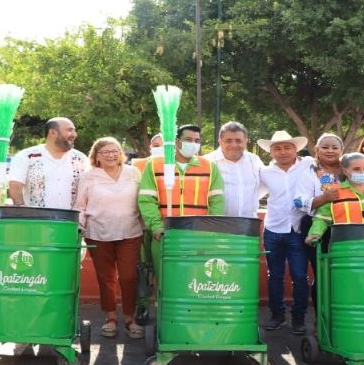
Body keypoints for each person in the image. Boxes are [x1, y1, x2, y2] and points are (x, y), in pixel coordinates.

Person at [75, 137, 144, 339]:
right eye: (104, 152)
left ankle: (130, 319)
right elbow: (80, 205)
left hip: (130, 232)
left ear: (121, 153)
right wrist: (79, 226)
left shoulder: (133, 173)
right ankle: (111, 318)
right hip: (98, 233)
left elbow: (144, 200)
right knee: (106, 278)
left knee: (129, 276)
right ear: (96, 156)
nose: (110, 155)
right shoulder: (88, 176)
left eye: (114, 151)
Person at [138, 124, 224, 280]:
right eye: (188, 139)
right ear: (177, 141)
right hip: (165, 234)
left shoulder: (210, 167)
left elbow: (216, 202)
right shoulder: (155, 165)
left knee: (196, 280)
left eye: (197, 140)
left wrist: (211, 229)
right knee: (166, 280)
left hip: (198, 235)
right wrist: (156, 226)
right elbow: (147, 200)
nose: (193, 144)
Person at [257, 131, 312, 334]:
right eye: (277, 148)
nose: (282, 152)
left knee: (299, 276)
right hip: (273, 228)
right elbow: (254, 193)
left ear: (295, 149)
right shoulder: (264, 172)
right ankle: (277, 315)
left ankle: (298, 319)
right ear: (271, 151)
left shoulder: (308, 165)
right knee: (275, 276)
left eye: (287, 147)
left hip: (297, 229)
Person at [294, 133, 344, 306]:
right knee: (322, 273)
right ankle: (321, 319)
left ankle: (341, 317)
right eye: (325, 147)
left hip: (346, 228)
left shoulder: (351, 169)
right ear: (317, 150)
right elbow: (298, 201)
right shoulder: (309, 172)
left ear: (341, 150)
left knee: (344, 273)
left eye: (334, 147)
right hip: (316, 228)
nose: (330, 151)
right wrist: (324, 199)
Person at [306, 152, 364, 242]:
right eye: (356, 169)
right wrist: (315, 234)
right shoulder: (334, 192)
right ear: (345, 171)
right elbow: (322, 218)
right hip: (345, 248)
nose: (362, 172)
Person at [8, 117, 89, 209]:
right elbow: (15, 185)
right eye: (70, 130)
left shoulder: (80, 159)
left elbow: (89, 189)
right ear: (53, 132)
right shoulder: (27, 156)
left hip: (72, 220)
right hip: (37, 220)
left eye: (74, 131)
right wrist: (22, 211)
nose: (74, 134)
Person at [206, 121, 264, 218]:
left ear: (246, 141)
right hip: (215, 224)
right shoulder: (207, 162)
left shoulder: (254, 160)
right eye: (228, 141)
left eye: (238, 140)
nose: (234, 145)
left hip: (249, 223)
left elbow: (266, 184)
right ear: (220, 141)